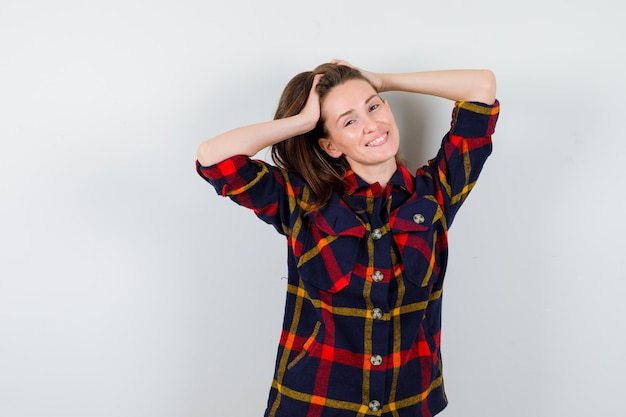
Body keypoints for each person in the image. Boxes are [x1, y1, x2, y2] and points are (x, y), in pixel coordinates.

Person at [196, 60, 499, 417]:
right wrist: (302, 122)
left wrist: (384, 80)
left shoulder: (435, 194)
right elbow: (213, 159)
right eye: (349, 121)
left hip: (408, 406)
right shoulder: (302, 202)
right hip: (314, 406)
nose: (371, 125)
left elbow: (482, 87)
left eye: (373, 106)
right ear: (330, 145)